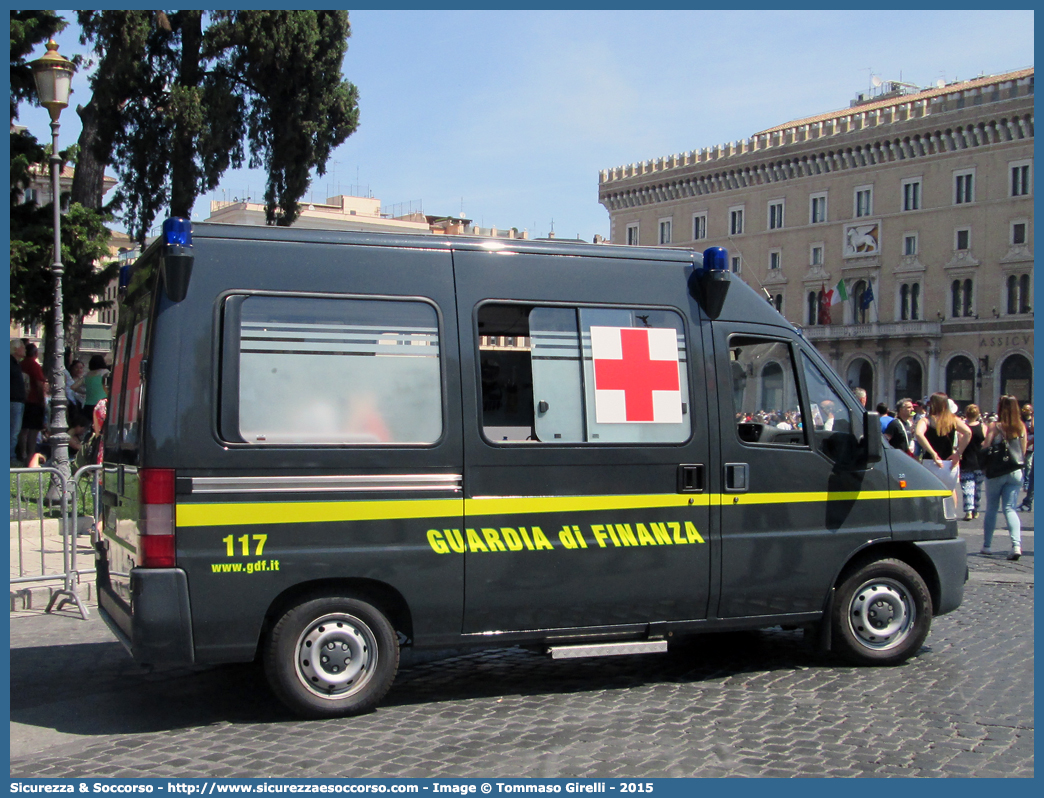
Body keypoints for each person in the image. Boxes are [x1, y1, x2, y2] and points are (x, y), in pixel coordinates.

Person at [982, 395, 1028, 560]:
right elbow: (1022, 451)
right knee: (1010, 508)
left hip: (996, 471)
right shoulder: (1021, 427)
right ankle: (1016, 545)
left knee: (992, 508)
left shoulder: (995, 426)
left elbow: (986, 446)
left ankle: (987, 545)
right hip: (1015, 471)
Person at [915, 392, 972, 477]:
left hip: (930, 461)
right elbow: (968, 432)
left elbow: (918, 434)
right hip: (949, 462)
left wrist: (933, 453)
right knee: (949, 489)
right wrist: (958, 453)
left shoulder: (926, 420)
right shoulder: (953, 420)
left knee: (931, 489)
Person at [18, 342, 47, 465]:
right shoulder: (34, 366)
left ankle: (22, 453)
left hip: (22, 400)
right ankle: (30, 454)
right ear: (35, 353)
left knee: (23, 429)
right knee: (33, 430)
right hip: (34, 400)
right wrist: (42, 400)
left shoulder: (20, 364)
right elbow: (39, 384)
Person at [958, 404, 986, 521]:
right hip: (980, 461)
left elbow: (959, 443)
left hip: (966, 460)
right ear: (978, 414)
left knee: (967, 488)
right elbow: (985, 443)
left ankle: (968, 511)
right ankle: (976, 510)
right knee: (977, 488)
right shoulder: (983, 427)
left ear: (966, 414)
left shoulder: (963, 428)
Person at [76, 355, 110, 420]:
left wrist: (85, 391)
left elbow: (73, 387)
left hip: (88, 405)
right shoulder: (105, 372)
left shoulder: (87, 375)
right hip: (101, 404)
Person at [11, 339, 27, 466]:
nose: (25, 349)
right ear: (16, 349)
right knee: (13, 431)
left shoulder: (17, 363)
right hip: (12, 401)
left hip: (18, 401)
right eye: (22, 347)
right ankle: (10, 457)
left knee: (15, 430)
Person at [1018, 404, 1033, 511]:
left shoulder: (1031, 420)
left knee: (1028, 466)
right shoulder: (1021, 420)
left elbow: (1033, 429)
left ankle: (1027, 501)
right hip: (1024, 445)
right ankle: (1027, 501)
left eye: (1027, 410)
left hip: (1030, 447)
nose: (1024, 411)